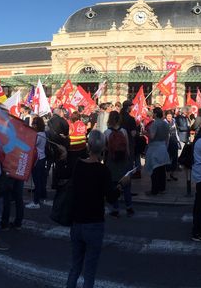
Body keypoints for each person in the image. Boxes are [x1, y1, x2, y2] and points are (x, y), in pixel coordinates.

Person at [66, 129, 129, 288]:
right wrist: (121, 184)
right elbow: (111, 197)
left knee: (75, 266)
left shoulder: (78, 165)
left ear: (88, 146)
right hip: (94, 222)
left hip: (77, 221)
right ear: (103, 149)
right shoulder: (103, 171)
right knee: (90, 269)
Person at [103, 111, 133, 217]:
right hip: (123, 161)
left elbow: (104, 149)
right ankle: (129, 207)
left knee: (113, 185)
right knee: (126, 185)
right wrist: (128, 160)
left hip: (112, 161)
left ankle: (115, 208)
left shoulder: (107, 132)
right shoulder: (124, 131)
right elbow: (128, 149)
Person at [144, 107, 171, 195]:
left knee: (154, 169)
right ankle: (162, 188)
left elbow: (152, 136)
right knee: (162, 169)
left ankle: (154, 190)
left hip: (154, 147)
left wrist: (145, 133)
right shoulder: (165, 124)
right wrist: (165, 146)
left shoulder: (155, 124)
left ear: (155, 114)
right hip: (162, 147)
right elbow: (167, 137)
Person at [26, 116, 49, 209]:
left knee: (37, 181)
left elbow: (31, 144)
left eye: (35, 124)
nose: (33, 125)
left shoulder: (38, 135)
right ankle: (41, 197)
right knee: (40, 180)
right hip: (41, 158)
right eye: (33, 124)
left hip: (37, 159)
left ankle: (36, 202)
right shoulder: (42, 133)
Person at [165, 111, 180, 181]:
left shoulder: (174, 122)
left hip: (174, 141)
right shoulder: (164, 122)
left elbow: (177, 132)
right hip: (167, 142)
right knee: (168, 158)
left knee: (175, 158)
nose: (169, 117)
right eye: (168, 116)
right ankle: (167, 175)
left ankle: (172, 174)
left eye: (170, 116)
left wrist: (178, 141)